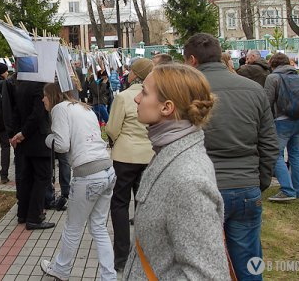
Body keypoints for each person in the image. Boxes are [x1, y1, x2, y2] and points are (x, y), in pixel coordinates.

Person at [184, 33, 279, 280]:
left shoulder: (187, 91)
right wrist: (259, 182)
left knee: (203, 264)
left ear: (192, 60)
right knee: (249, 263)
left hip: (203, 188)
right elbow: (269, 143)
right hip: (245, 186)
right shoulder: (253, 89)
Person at [123, 64, 230, 279]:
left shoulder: (187, 179)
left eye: (144, 92)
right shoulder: (169, 153)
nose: (137, 98)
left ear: (166, 107)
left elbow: (208, 275)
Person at [40, 84, 117, 281]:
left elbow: (62, 145)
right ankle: (109, 276)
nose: (43, 100)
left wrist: (48, 139)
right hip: (107, 169)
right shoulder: (84, 107)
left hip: (88, 175)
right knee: (98, 227)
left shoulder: (59, 109)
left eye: (45, 96)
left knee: (73, 227)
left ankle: (61, 270)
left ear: (53, 95)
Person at [105, 58, 154, 272]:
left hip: (125, 156)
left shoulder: (124, 97)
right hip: (150, 155)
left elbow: (112, 128)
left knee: (120, 204)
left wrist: (116, 140)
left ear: (134, 73)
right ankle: (146, 254)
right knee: (145, 205)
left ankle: (121, 257)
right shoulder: (157, 96)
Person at [264, 52, 299, 202]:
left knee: (275, 155)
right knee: (296, 155)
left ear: (273, 64)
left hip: (282, 121)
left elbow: (267, 102)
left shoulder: (273, 78)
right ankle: (298, 189)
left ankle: (287, 190)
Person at [10, 80, 54, 230]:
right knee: (42, 178)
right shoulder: (39, 85)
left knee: (27, 177)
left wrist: (16, 133)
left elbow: (15, 111)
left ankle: (23, 213)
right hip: (37, 139)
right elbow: (38, 114)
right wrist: (22, 133)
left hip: (26, 139)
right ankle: (34, 217)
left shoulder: (21, 84)